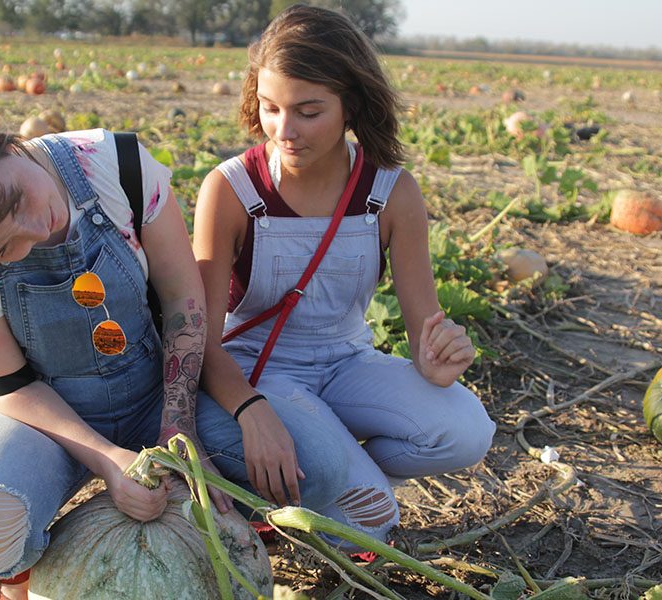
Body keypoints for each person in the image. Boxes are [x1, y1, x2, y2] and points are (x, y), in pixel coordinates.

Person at [0, 127, 229, 599]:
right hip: (42, 416)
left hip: (153, 391)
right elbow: (13, 387)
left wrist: (178, 425)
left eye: (20, 199)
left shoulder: (113, 164)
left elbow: (183, 298)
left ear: (3, 146)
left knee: (298, 466)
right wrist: (107, 460)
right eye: (3, 250)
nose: (38, 229)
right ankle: (26, 585)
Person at [193, 4, 497, 549]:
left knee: (467, 432)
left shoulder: (391, 194)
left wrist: (441, 354)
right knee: (373, 522)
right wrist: (249, 409)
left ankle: (339, 464)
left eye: (308, 112)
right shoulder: (231, 190)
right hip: (258, 372)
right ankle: (329, 470)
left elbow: (426, 324)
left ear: (351, 106)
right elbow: (200, 340)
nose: (285, 130)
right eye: (270, 108)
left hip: (346, 362)